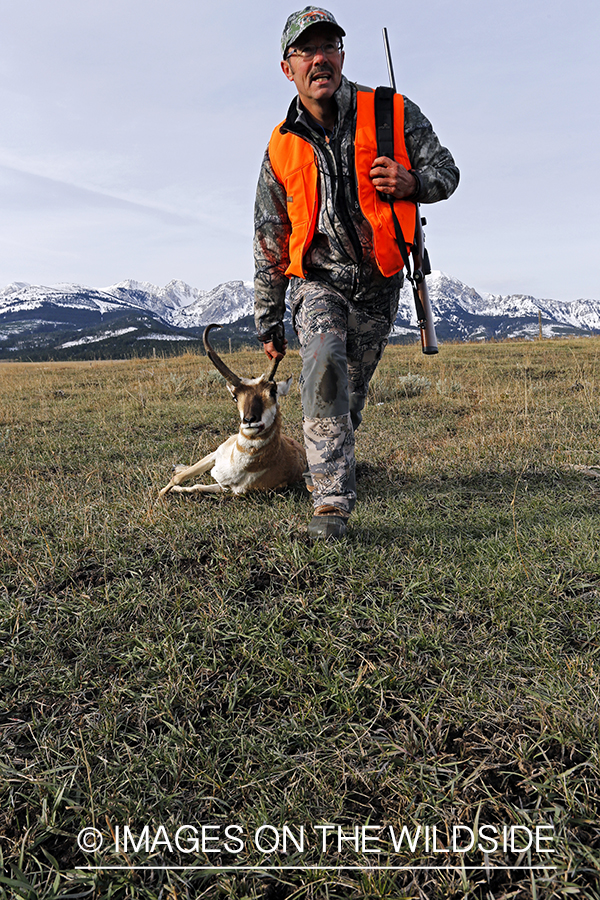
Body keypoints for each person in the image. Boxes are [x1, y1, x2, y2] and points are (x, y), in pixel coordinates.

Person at [253, 6, 459, 539]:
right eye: (306, 50)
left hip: (379, 284)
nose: (320, 58)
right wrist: (268, 317)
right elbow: (269, 235)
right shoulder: (280, 146)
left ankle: (330, 462)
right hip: (317, 280)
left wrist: (412, 182)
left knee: (351, 394)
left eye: (330, 46)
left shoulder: (391, 113)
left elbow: (448, 173)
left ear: (342, 56)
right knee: (324, 369)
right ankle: (330, 506)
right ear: (288, 68)